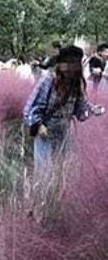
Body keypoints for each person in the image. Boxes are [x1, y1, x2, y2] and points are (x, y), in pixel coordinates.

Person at [23, 45, 105, 180]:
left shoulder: (76, 83)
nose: (69, 69)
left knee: (63, 171)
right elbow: (30, 108)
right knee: (45, 174)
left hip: (64, 133)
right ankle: (45, 199)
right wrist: (38, 125)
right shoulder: (48, 81)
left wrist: (93, 110)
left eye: (73, 65)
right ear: (59, 64)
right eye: (66, 64)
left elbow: (80, 109)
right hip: (46, 133)